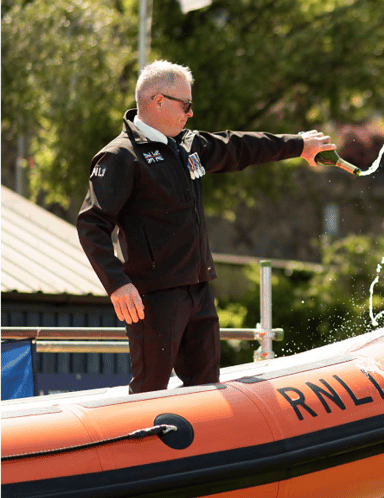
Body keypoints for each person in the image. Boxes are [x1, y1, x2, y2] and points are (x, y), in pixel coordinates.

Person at [77, 60, 335, 394]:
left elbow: (240, 147)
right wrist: (117, 283)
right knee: (149, 391)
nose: (190, 113)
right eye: (186, 105)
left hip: (199, 290)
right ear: (157, 101)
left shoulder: (189, 145)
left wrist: (299, 145)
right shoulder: (120, 156)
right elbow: (91, 224)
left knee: (206, 390)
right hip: (155, 297)